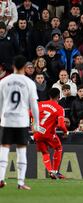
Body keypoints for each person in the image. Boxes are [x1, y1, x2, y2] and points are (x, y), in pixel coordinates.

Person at [0, 55, 40, 190]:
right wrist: (36, 123)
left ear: (13, 66)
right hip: (21, 121)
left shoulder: (4, 81)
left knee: (4, 149)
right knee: (21, 151)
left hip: (6, 120)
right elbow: (34, 105)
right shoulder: (29, 83)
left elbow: (0, 103)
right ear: (24, 67)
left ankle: (0, 178)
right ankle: (20, 182)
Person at [33, 88, 68, 179]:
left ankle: (50, 171)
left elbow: (29, 114)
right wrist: (65, 132)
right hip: (49, 134)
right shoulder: (59, 108)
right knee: (58, 148)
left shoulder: (39, 104)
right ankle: (55, 171)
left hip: (37, 133)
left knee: (45, 153)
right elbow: (61, 125)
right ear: (59, 97)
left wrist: (33, 125)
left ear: (49, 96)